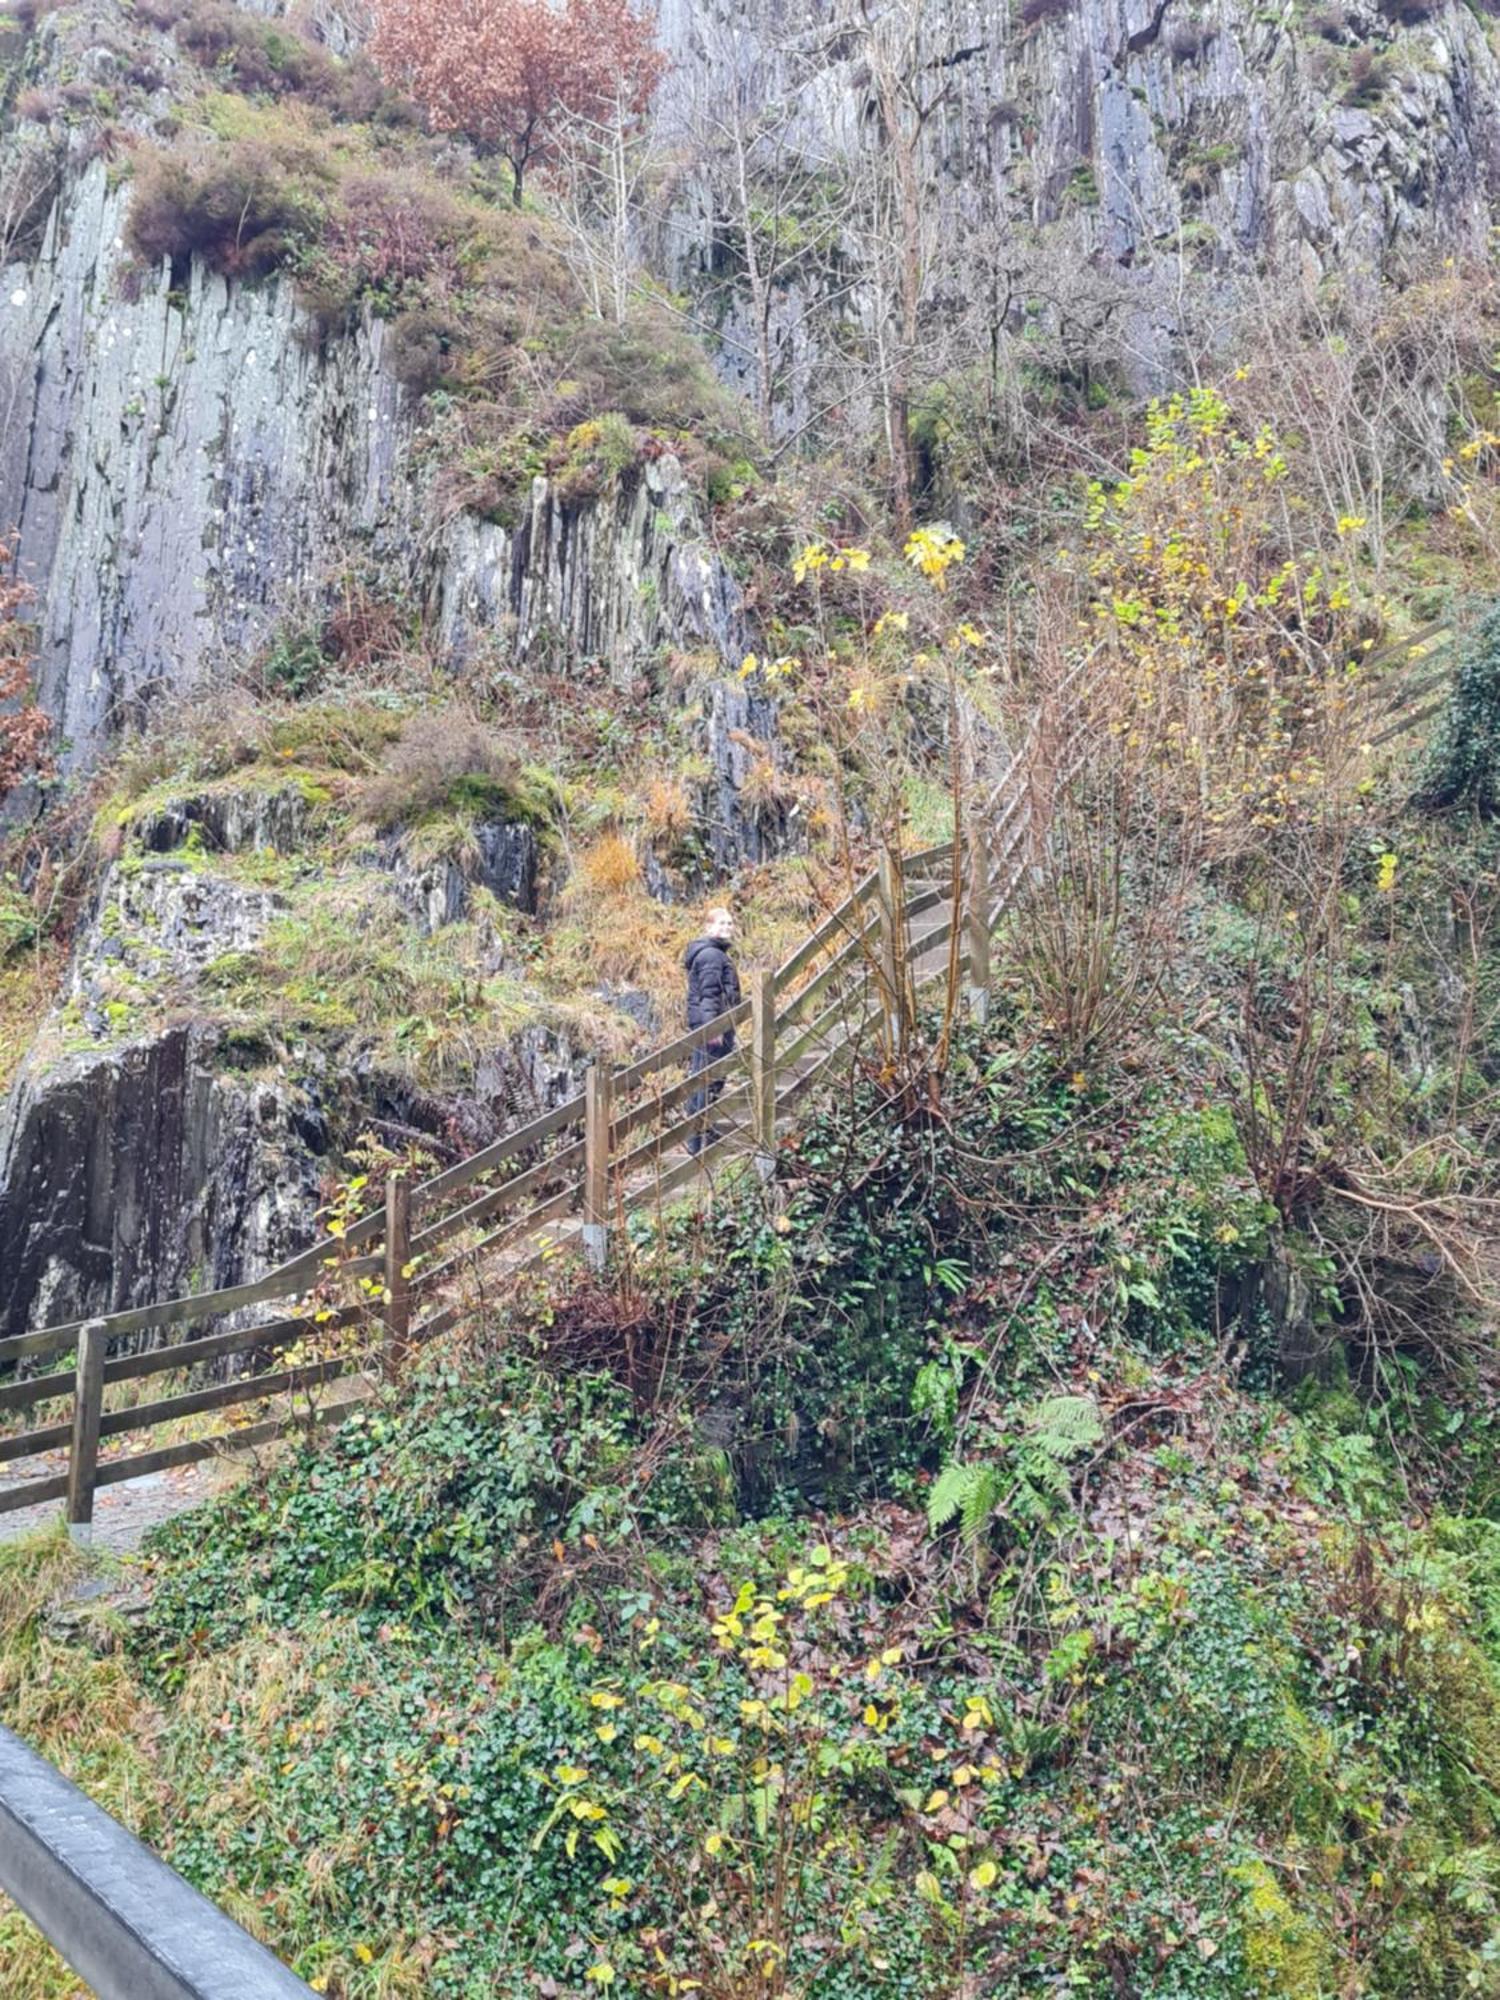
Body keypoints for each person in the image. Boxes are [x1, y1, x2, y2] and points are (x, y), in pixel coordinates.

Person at [684, 907, 741, 1154]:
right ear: (708, 927)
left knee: (708, 1077)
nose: (727, 927)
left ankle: (702, 1133)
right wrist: (713, 1029)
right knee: (708, 1078)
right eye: (721, 924)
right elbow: (709, 996)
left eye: (729, 923)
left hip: (715, 1024)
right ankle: (696, 1142)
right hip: (714, 1027)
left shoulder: (713, 953)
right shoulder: (711, 956)